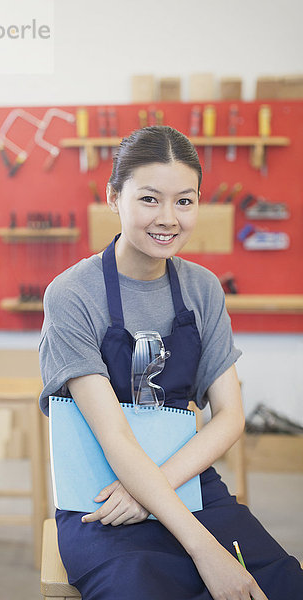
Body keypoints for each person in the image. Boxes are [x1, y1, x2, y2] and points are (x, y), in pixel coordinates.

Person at [39, 126, 303, 599]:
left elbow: (229, 416)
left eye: (184, 201)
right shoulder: (73, 295)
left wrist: (153, 491)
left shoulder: (203, 289)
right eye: (149, 199)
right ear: (113, 197)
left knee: (281, 582)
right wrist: (206, 552)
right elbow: (114, 434)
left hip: (188, 483)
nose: (168, 218)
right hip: (103, 501)